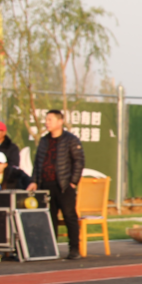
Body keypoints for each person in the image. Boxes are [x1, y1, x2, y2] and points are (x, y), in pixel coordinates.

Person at [28, 109, 85, 260]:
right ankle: (50, 248)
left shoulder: (70, 140)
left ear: (60, 122)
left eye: (50, 120)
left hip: (64, 185)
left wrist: (73, 182)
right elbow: (37, 163)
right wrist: (34, 181)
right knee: (49, 218)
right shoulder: (44, 140)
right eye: (46, 120)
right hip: (46, 185)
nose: (47, 123)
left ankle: (74, 249)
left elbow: (79, 161)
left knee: (69, 216)